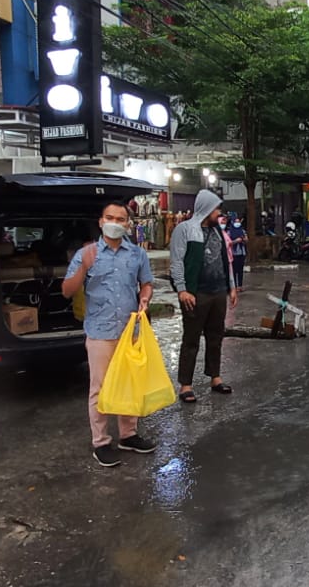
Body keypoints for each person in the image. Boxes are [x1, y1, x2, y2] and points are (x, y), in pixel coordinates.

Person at [62, 201, 158, 468]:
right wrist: (83, 268)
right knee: (100, 388)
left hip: (130, 332)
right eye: (110, 218)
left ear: (128, 224)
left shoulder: (137, 254)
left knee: (129, 384)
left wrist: (145, 298)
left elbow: (146, 283)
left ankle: (128, 435)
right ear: (101, 221)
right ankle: (101, 442)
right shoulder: (86, 254)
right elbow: (67, 291)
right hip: (100, 331)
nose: (115, 222)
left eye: (121, 219)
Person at [169, 190, 239, 403]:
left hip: (218, 292)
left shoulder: (218, 231)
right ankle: (186, 385)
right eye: (216, 208)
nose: (219, 212)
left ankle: (215, 378)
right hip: (195, 293)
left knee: (216, 336)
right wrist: (182, 289)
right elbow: (177, 262)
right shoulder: (185, 230)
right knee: (191, 339)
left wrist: (231, 286)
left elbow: (225, 259)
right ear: (207, 208)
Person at [226, 213, 248, 288]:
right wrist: (236, 241)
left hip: (241, 253)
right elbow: (228, 242)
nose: (237, 223)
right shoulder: (229, 232)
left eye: (238, 222)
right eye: (236, 222)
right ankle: (234, 286)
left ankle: (240, 286)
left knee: (240, 270)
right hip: (233, 253)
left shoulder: (242, 231)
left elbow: (246, 240)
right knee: (234, 270)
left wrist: (244, 240)